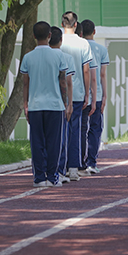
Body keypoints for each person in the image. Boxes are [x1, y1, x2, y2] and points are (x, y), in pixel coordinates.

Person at [20, 21, 69, 187]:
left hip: (35, 105)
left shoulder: (28, 57)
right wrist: (66, 103)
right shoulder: (59, 56)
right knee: (54, 143)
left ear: (34, 36)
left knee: (37, 143)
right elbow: (63, 82)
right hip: (55, 105)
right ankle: (52, 177)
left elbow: (25, 83)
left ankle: (39, 178)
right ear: (49, 36)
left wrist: (25, 104)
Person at [59, 11, 96, 181]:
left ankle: (60, 167)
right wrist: (87, 93)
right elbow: (86, 70)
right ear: (76, 25)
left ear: (62, 24)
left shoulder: (57, 41)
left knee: (61, 131)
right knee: (75, 131)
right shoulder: (83, 43)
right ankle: (73, 168)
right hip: (78, 92)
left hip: (61, 93)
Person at [80, 19, 108, 174]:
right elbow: (102, 74)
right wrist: (104, 95)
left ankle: (79, 162)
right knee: (95, 128)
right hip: (96, 95)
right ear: (94, 32)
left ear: (81, 32)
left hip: (81, 94)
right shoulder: (101, 49)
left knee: (81, 129)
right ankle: (91, 162)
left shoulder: (78, 48)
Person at [50, 26, 75, 183]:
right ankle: (59, 171)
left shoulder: (36, 56)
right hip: (58, 102)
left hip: (39, 104)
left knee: (44, 140)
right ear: (61, 40)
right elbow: (68, 82)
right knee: (61, 139)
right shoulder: (66, 58)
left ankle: (44, 172)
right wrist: (69, 104)